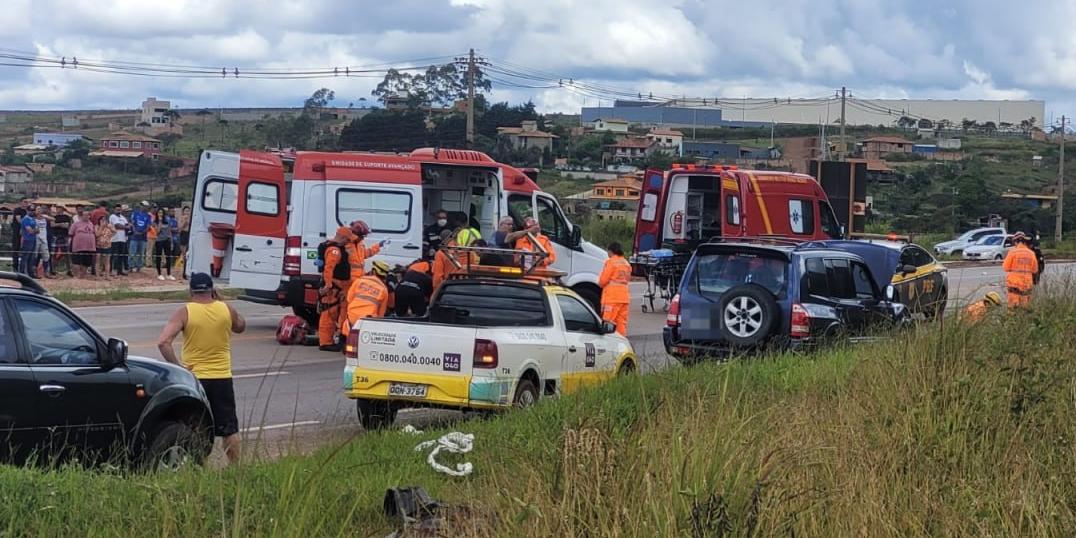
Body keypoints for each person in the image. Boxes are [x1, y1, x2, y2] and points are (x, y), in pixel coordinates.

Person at [156, 273, 246, 465]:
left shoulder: (185, 312)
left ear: (191, 291)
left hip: (195, 379)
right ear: (212, 290)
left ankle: (200, 468)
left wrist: (178, 367)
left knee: (196, 426)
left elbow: (163, 342)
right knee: (229, 427)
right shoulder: (225, 309)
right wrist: (221, 303)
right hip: (222, 376)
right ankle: (236, 468)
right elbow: (241, 326)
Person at [317, 227, 355, 351]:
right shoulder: (334, 250)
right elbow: (329, 269)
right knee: (329, 314)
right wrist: (328, 285)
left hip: (341, 287)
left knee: (339, 313)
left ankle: (337, 339)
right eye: (348, 240)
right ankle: (325, 342)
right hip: (334, 287)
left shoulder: (337, 248)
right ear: (343, 238)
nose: (348, 242)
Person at [341, 260, 391, 337]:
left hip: (352, 318)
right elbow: (381, 314)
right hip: (368, 321)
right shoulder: (384, 290)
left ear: (374, 271)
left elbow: (349, 299)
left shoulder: (359, 281)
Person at [598, 242, 632, 336]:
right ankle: (621, 343)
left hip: (613, 297)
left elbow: (602, 281)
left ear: (611, 251)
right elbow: (628, 279)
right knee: (621, 323)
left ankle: (609, 344)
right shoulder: (626, 263)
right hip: (624, 297)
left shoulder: (611, 262)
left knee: (609, 322)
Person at [1002, 232, 1039, 308]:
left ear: (1015, 242)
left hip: (1014, 283)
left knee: (1013, 306)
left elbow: (1005, 268)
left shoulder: (1012, 252)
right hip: (1027, 283)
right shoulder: (1031, 253)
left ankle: (1012, 319)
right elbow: (1035, 270)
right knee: (1025, 306)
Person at [69, 209, 97, 279]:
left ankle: (83, 276)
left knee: (86, 262)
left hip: (89, 247)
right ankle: (76, 276)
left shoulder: (91, 224)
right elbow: (70, 233)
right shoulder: (76, 224)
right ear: (81, 216)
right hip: (78, 247)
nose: (86, 216)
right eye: (84, 215)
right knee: (76, 262)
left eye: (88, 215)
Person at [151, 208, 177, 281]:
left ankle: (169, 274)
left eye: (162, 212)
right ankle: (159, 274)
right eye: (159, 212)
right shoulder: (155, 222)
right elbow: (157, 231)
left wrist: (171, 241)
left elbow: (169, 232)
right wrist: (159, 222)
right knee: (158, 257)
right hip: (159, 240)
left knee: (168, 257)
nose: (160, 214)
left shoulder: (167, 221)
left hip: (167, 240)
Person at [129, 201, 152, 273]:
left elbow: (148, 226)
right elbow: (132, 223)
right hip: (134, 236)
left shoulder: (148, 216)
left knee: (141, 253)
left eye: (145, 206)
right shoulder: (135, 213)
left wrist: (142, 232)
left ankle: (139, 267)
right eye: (142, 205)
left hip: (143, 237)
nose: (143, 207)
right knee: (132, 252)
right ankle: (130, 266)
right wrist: (135, 231)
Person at [50, 205, 73, 277]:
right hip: (55, 236)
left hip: (64, 236)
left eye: (59, 208)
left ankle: (69, 270)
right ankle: (53, 270)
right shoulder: (53, 217)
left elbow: (67, 226)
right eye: (57, 208)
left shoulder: (67, 217)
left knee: (66, 254)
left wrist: (58, 224)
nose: (57, 209)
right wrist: (61, 224)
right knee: (54, 253)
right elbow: (52, 225)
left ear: (63, 209)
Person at [17, 206, 39, 277]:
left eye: (33, 210)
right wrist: (34, 230)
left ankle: (31, 274)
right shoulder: (25, 219)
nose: (32, 212)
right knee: (25, 257)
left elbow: (37, 230)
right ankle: (22, 274)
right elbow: (30, 231)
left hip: (33, 239)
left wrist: (34, 230)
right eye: (30, 210)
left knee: (31, 258)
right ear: (27, 211)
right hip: (27, 240)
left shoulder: (33, 219)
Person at [109, 205, 129, 276]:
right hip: (114, 239)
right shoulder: (112, 216)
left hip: (122, 239)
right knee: (113, 256)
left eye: (119, 210)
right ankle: (111, 270)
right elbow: (117, 226)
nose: (118, 211)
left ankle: (119, 271)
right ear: (114, 210)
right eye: (117, 209)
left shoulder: (123, 217)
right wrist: (126, 227)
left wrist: (126, 227)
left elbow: (128, 226)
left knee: (121, 256)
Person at [34, 205, 52, 278]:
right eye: (37, 209)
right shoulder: (33, 219)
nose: (39, 211)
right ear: (35, 211)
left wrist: (45, 216)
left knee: (46, 256)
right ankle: (34, 272)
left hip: (44, 239)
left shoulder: (44, 218)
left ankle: (46, 272)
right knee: (35, 256)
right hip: (36, 239)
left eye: (40, 209)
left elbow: (53, 219)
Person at [95, 215, 115, 279]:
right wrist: (101, 226)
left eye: (105, 220)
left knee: (107, 261)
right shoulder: (96, 226)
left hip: (107, 245)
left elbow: (115, 231)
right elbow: (97, 234)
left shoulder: (109, 226)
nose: (103, 221)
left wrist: (110, 229)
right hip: (98, 246)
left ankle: (107, 275)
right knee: (98, 261)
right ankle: (97, 275)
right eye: (102, 220)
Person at [176, 206, 191, 278]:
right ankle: (184, 272)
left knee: (189, 254)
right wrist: (185, 222)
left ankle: (188, 271)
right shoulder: (181, 218)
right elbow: (179, 229)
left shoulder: (191, 218)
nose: (187, 212)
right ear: (183, 211)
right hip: (183, 235)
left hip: (189, 235)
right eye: (186, 211)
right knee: (184, 254)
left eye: (188, 211)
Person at [9, 206, 25, 271]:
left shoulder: (28, 211)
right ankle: (15, 267)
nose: (26, 203)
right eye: (25, 202)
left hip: (26, 234)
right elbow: (19, 220)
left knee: (25, 250)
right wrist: (26, 225)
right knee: (15, 249)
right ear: (21, 202)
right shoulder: (17, 210)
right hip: (17, 233)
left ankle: (23, 268)